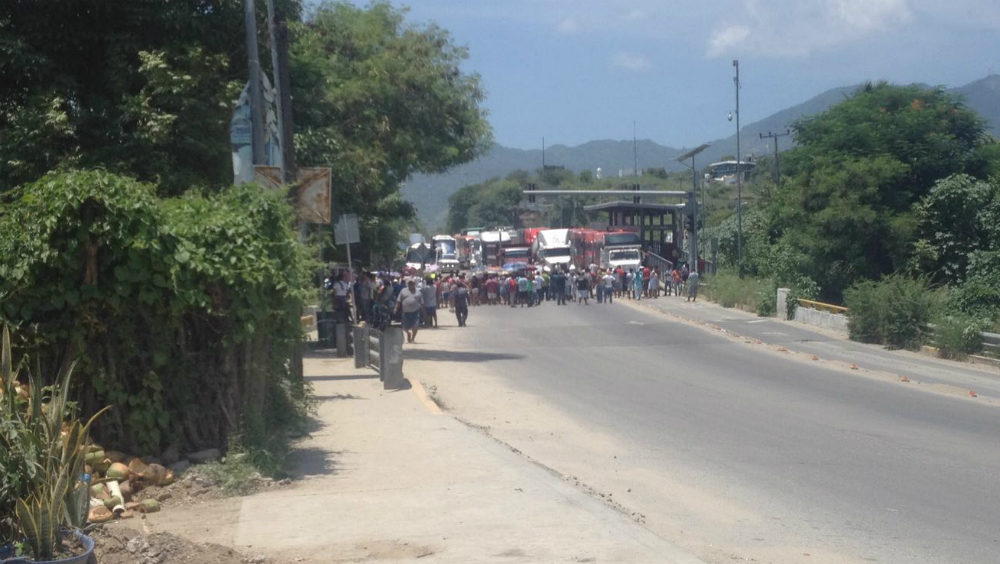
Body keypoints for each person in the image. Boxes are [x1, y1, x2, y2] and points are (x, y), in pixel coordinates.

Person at [395, 278, 424, 343]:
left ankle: (413, 339)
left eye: (412, 283)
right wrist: (396, 307)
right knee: (404, 326)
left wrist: (424, 311)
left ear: (414, 284)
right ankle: (408, 333)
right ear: (407, 284)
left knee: (416, 325)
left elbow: (422, 302)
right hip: (405, 311)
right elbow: (398, 300)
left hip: (416, 311)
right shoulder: (403, 290)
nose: (410, 284)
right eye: (409, 283)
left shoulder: (418, 292)